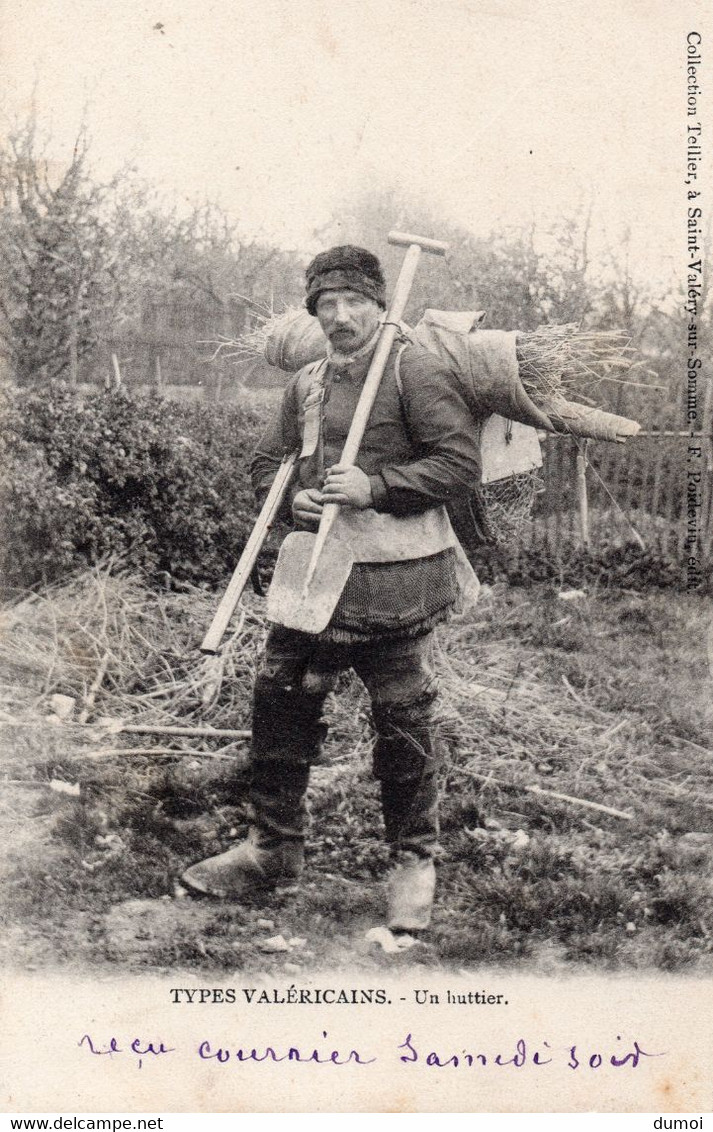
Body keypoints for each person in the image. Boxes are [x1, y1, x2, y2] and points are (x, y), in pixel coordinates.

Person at [182, 245, 483, 933]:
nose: (341, 316)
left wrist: (377, 487)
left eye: (355, 303)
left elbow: (457, 465)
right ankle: (271, 851)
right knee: (279, 700)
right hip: (314, 579)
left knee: (402, 717)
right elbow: (268, 464)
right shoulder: (308, 382)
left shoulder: (415, 371)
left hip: (395, 582)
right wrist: (300, 500)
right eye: (327, 305)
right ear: (313, 313)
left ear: (381, 306)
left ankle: (413, 863)